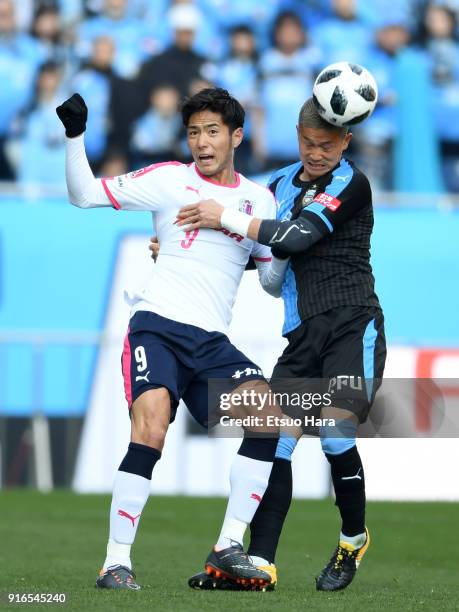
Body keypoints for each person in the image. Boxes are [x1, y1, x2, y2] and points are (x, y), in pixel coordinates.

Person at [56, 87, 288, 590]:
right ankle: (116, 562)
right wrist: (75, 136)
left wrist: (280, 243)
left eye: (212, 132)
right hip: (157, 325)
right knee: (152, 430)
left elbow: (271, 281)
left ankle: (228, 547)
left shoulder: (258, 200)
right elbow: (83, 194)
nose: (202, 143)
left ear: (236, 136)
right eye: (193, 133)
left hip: (210, 341)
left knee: (268, 418)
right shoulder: (167, 180)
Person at [177, 97, 386, 592]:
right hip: (302, 336)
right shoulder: (276, 184)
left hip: (353, 326)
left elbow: (294, 238)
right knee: (276, 443)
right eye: (309, 143)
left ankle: (352, 540)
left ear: (346, 142)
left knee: (336, 433)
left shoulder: (351, 183)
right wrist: (182, 246)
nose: (317, 154)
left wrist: (222, 217)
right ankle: (260, 564)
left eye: (328, 145)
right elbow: (255, 249)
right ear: (297, 135)